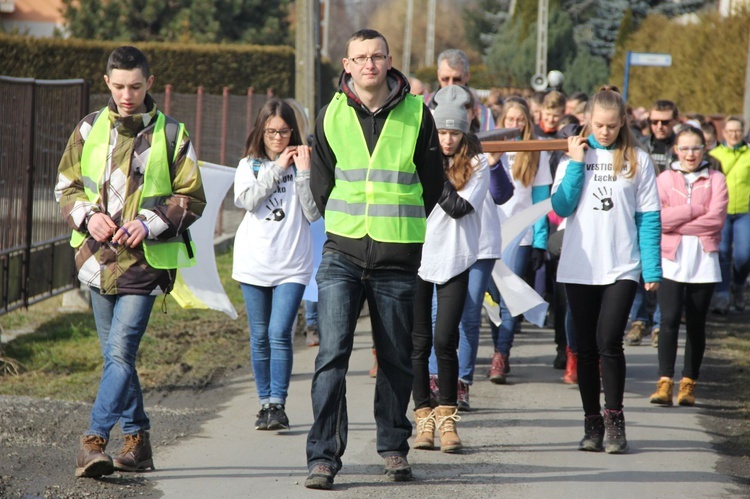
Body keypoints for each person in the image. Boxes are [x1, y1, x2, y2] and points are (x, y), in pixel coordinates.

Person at [55, 46, 206, 478]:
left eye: (136, 86)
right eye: (119, 86)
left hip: (146, 264)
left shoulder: (172, 133)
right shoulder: (87, 128)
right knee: (116, 357)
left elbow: (192, 197)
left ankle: (94, 440)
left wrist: (150, 223)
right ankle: (138, 442)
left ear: (150, 84)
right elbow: (66, 187)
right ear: (107, 83)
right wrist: (89, 216)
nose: (127, 95)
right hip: (96, 261)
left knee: (120, 351)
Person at [305, 29, 443, 490]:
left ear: (389, 62)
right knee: (332, 356)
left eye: (377, 56)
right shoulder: (330, 115)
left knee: (397, 358)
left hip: (396, 256)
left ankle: (393, 448)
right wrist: (347, 227)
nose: (369, 64)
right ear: (347, 64)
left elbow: (431, 182)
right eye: (360, 57)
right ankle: (323, 456)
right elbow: (322, 185)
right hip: (342, 252)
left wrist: (399, 231)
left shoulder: (417, 114)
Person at [551, 88, 661, 454]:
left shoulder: (639, 161)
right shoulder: (573, 157)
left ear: (623, 123)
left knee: (609, 341)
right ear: (587, 120)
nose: (605, 131)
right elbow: (561, 207)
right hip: (580, 267)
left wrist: (652, 268)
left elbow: (648, 219)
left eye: (612, 126)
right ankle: (591, 423)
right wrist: (576, 163)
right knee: (584, 348)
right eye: (599, 125)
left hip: (621, 265)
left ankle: (615, 420)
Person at [232, 99, 320, 431]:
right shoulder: (248, 166)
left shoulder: (304, 163)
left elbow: (313, 213)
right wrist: (278, 168)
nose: (278, 138)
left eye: (284, 131)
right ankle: (264, 403)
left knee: (279, 332)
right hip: (254, 262)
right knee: (259, 336)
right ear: (261, 131)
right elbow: (250, 201)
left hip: (292, 263)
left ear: (293, 131)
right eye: (271, 131)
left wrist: (302, 172)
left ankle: (278, 405)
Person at [412, 85, 489, 453]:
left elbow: (459, 207)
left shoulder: (477, 163)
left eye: (454, 132)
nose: (446, 139)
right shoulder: (420, 155)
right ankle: (423, 418)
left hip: (455, 259)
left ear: (465, 131)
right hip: (416, 257)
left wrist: (432, 175)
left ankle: (447, 420)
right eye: (441, 132)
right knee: (418, 343)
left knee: (445, 340)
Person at [649, 126, 728, 407]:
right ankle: (664, 382)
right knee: (668, 320)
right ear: (675, 150)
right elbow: (659, 218)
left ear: (704, 149)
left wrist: (678, 221)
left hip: (704, 260)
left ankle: (688, 384)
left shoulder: (716, 179)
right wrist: (694, 210)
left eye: (696, 148)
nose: (690, 154)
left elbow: (716, 220)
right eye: (684, 148)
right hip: (671, 259)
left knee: (696, 323)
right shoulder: (665, 179)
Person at [488, 98, 551, 384]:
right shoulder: (489, 147)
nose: (515, 125)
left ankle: (501, 355)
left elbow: (540, 201)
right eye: (510, 119)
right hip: (489, 235)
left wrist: (539, 241)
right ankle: (497, 348)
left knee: (511, 298)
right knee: (492, 299)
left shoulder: (536, 152)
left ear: (527, 122)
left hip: (520, 235)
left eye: (520, 120)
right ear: (501, 121)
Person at [709, 116, 750, 313]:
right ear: (723, 133)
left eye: (737, 131)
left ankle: (739, 285)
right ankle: (722, 296)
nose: (734, 134)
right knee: (723, 253)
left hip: (744, 212)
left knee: (744, 255)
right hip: (721, 213)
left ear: (743, 133)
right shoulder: (714, 155)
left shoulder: (749, 154)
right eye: (730, 131)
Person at [423, 49, 496, 132]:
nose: (451, 84)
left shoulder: (483, 114)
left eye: (456, 79)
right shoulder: (422, 104)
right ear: (438, 75)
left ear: (467, 76)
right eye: (445, 78)